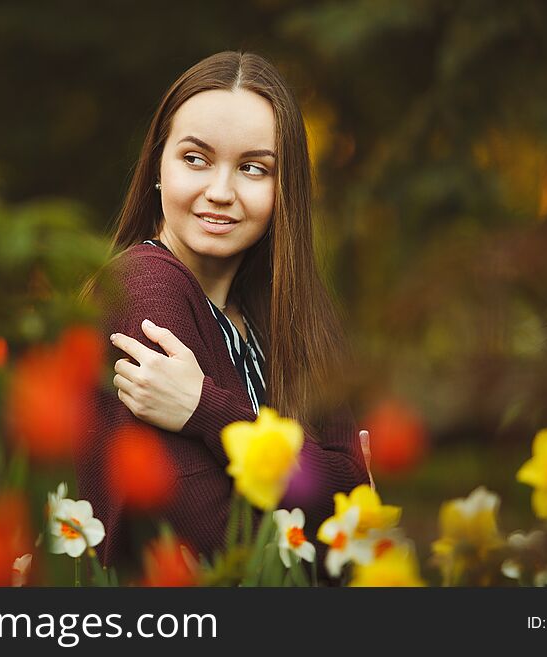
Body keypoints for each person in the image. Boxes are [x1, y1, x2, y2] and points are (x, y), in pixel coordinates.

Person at [77, 51, 371, 575]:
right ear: (158, 167)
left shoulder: (280, 310)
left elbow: (353, 491)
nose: (220, 192)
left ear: (286, 191)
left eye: (253, 169)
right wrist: (322, 508)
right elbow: (218, 541)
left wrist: (207, 411)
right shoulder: (145, 289)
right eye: (195, 159)